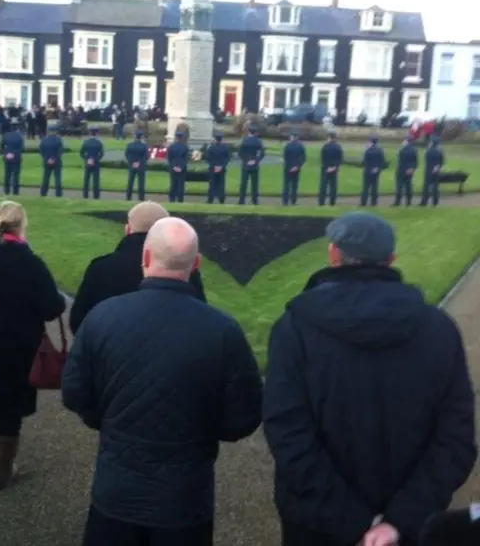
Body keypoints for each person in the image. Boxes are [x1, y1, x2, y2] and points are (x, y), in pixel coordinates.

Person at [263, 212, 476, 546]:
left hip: (317, 521)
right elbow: (456, 440)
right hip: (408, 527)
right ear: (391, 260)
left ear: (333, 254)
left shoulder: (293, 329)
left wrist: (357, 520)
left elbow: (288, 434)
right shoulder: (440, 330)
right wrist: (397, 521)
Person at [62, 217, 262, 546]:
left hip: (119, 487)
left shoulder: (103, 317)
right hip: (184, 495)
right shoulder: (222, 330)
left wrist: (110, 421)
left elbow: (75, 392)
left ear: (145, 257)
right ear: (195, 264)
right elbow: (243, 417)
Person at [0, 201, 66, 491]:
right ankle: (1, 472)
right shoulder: (30, 262)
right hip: (17, 348)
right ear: (20, 226)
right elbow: (51, 307)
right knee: (11, 410)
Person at [69, 201, 206, 334]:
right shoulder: (181, 269)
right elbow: (201, 316)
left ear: (127, 230)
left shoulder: (101, 268)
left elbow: (78, 321)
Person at [238, 125, 265, 205]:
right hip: (255, 165)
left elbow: (240, 153)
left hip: (246, 164)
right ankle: (255, 200)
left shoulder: (244, 140)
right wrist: (256, 160)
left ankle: (241, 200)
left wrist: (246, 160)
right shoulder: (258, 141)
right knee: (255, 184)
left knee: (243, 183)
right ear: (255, 133)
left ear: (249, 131)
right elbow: (262, 153)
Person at [1, 118, 25, 196]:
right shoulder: (20, 136)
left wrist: (7, 154)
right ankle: (15, 192)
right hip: (16, 158)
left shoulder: (5, 135)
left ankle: (6, 191)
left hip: (7, 158)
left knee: (7, 175)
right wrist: (14, 154)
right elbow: (22, 148)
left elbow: (1, 147)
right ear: (17, 126)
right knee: (16, 175)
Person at [39, 123, 64, 197]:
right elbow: (60, 151)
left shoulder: (44, 140)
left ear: (48, 130)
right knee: (57, 179)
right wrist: (53, 159)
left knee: (46, 179)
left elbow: (41, 151)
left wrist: (47, 159)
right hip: (57, 162)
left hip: (47, 162)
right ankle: (58, 195)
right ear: (55, 131)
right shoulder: (59, 140)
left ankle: (43, 194)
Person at [318, 131, 343, 206]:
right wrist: (335, 167)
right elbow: (340, 159)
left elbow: (323, 159)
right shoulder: (338, 147)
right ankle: (332, 202)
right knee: (333, 186)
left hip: (325, 168)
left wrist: (327, 167)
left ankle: (321, 202)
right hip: (334, 168)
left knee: (323, 186)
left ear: (329, 137)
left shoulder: (325, 146)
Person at [204, 131, 230, 204]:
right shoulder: (225, 147)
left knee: (212, 184)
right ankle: (221, 199)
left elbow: (208, 158)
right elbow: (227, 158)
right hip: (221, 169)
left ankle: (210, 199)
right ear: (221, 139)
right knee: (221, 184)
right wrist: (221, 166)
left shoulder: (211, 147)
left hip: (213, 168)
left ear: (215, 139)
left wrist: (214, 166)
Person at [360, 135, 385, 207]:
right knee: (375, 186)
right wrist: (377, 168)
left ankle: (363, 202)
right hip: (376, 170)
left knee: (366, 187)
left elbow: (364, 161)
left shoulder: (368, 150)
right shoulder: (380, 150)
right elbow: (382, 161)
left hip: (368, 170)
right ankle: (374, 202)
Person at [282, 132, 306, 206]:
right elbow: (303, 158)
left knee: (286, 185)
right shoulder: (301, 146)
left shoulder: (287, 146)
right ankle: (293, 201)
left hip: (288, 168)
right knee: (294, 186)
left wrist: (290, 167)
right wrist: (297, 166)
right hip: (296, 168)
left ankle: (285, 201)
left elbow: (285, 157)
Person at [80, 126, 104, 199]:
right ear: (96, 133)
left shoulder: (86, 142)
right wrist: (96, 159)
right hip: (96, 163)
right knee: (96, 180)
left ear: (90, 133)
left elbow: (81, 152)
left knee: (86, 179)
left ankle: (85, 195)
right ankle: (96, 195)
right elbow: (102, 153)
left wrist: (86, 159)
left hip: (88, 162)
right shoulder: (98, 143)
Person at [393, 138, 418, 206]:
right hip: (409, 170)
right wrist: (412, 169)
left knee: (399, 187)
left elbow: (400, 161)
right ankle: (408, 202)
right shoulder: (414, 150)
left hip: (401, 170)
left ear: (406, 142)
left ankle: (397, 202)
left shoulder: (402, 150)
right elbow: (415, 162)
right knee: (408, 186)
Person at [420, 136, 444, 207]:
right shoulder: (440, 151)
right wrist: (437, 167)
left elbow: (426, 158)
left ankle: (424, 201)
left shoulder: (429, 151)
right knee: (435, 186)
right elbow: (441, 161)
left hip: (428, 170)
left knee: (426, 186)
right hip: (436, 170)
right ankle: (435, 202)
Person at [125, 130, 148, 201]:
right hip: (141, 167)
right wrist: (139, 163)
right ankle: (141, 198)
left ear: (135, 136)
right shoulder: (144, 146)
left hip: (132, 166)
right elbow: (146, 156)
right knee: (141, 183)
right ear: (141, 137)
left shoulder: (130, 145)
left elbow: (127, 155)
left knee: (130, 182)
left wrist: (132, 163)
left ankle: (128, 197)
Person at [167, 131, 189, 203]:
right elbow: (185, 159)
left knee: (173, 183)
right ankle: (180, 199)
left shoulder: (171, 146)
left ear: (176, 137)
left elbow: (169, 158)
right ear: (182, 138)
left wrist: (173, 166)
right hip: (181, 168)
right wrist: (181, 167)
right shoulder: (185, 147)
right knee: (181, 184)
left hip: (173, 167)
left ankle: (172, 198)